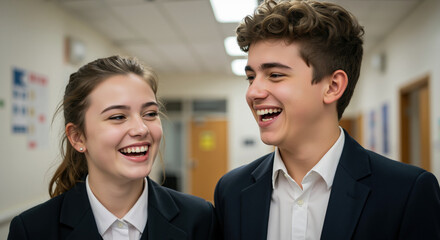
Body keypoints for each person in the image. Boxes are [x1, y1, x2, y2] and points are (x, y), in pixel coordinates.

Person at [214, 0, 440, 239]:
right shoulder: (231, 191)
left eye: (275, 75)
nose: (253, 92)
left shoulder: (406, 192)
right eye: (251, 77)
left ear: (332, 86)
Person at [8, 55, 217, 240]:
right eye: (118, 116)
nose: (141, 129)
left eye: (150, 113)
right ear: (78, 137)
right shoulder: (32, 230)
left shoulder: (200, 219)